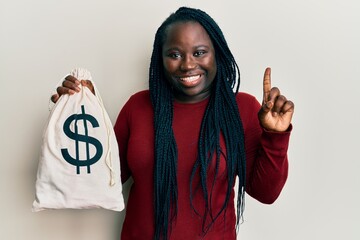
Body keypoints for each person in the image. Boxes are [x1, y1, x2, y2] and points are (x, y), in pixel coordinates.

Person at [51, 6, 294, 240]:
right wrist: (81, 115)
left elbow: (266, 193)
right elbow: (105, 180)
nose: (188, 64)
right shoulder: (138, 107)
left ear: (217, 54)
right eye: (174, 54)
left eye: (199, 52)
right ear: (161, 59)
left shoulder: (241, 109)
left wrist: (275, 136)